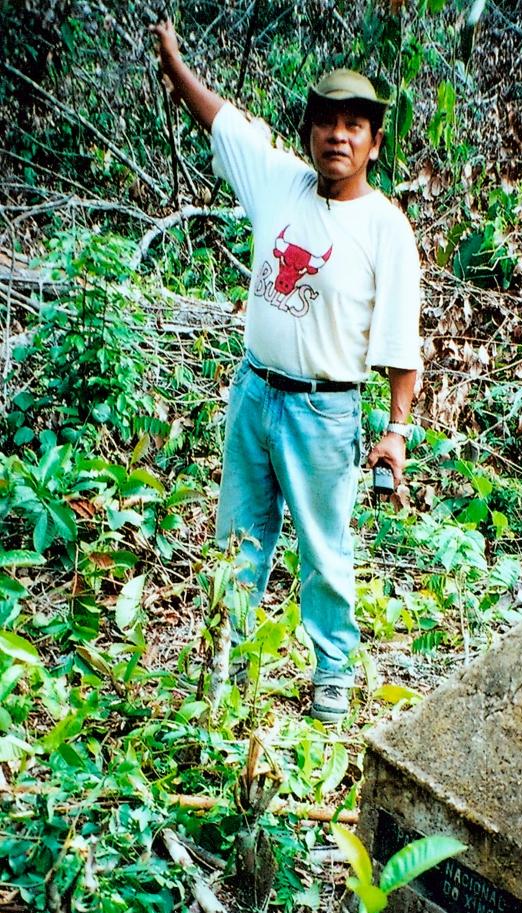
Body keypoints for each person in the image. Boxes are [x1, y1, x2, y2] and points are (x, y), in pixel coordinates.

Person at [150, 20, 421, 723]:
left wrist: (396, 431)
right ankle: (225, 663)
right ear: (309, 132)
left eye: (353, 125)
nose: (338, 135)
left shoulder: (385, 228)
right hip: (255, 392)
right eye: (326, 121)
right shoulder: (279, 183)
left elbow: (399, 344)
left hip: (324, 411)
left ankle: (332, 675)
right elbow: (221, 119)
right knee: (237, 539)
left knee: (325, 551)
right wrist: (174, 61)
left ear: (373, 142)